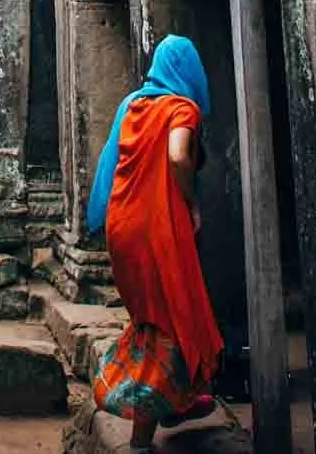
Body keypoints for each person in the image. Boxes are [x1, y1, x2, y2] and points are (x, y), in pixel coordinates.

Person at [88, 34, 224, 446]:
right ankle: (144, 425)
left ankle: (169, 407)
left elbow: (111, 162)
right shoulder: (181, 108)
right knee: (170, 320)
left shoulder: (134, 104)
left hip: (122, 226)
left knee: (151, 322)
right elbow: (178, 154)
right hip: (155, 228)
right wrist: (191, 201)